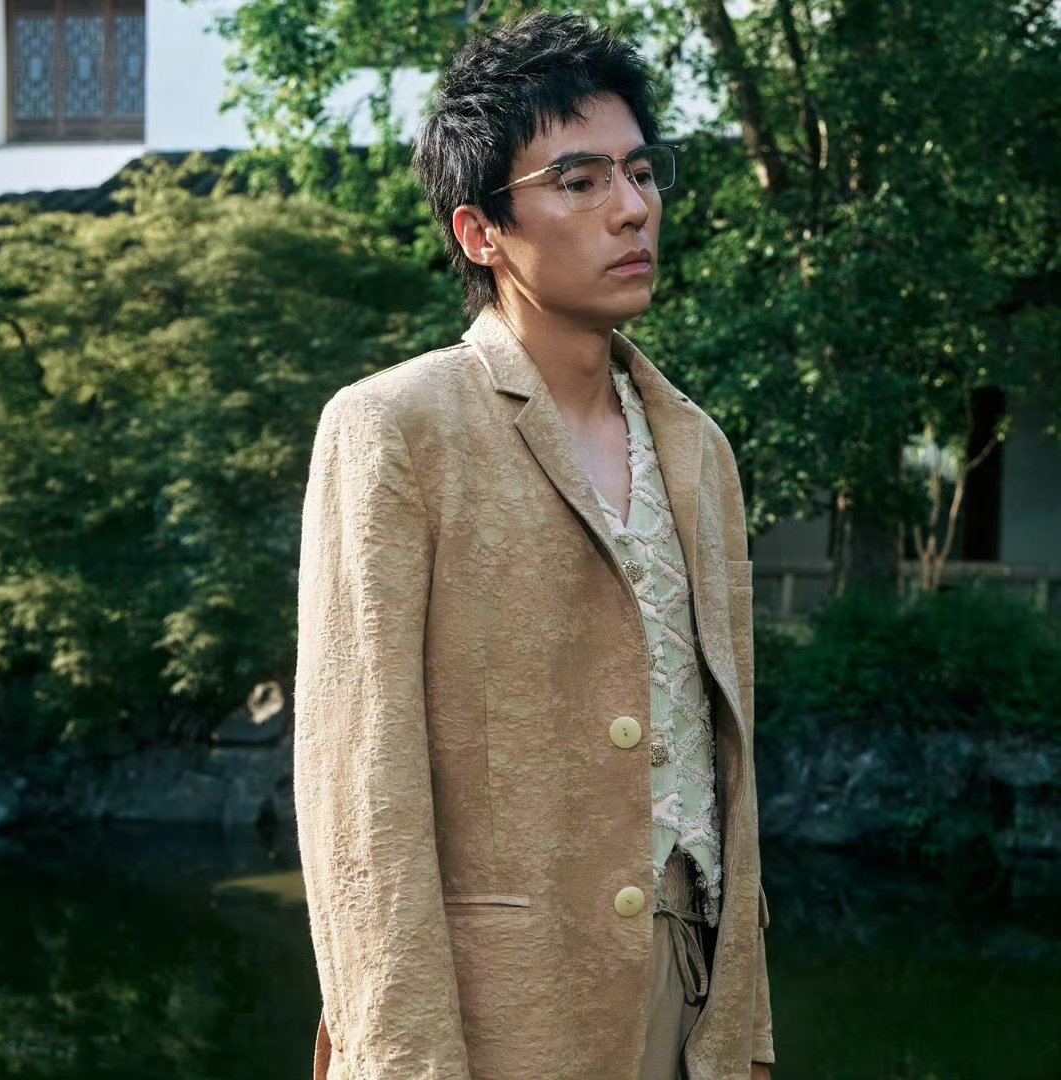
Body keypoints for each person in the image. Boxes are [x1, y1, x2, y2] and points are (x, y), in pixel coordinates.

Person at [294, 11, 775, 1079]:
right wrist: (406, 1059)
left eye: (639, 173)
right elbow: (359, 795)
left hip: (692, 997)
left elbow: (729, 778)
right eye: (580, 181)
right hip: (497, 1014)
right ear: (480, 231)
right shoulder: (396, 428)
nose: (632, 207)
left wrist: (747, 1035)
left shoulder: (699, 449)